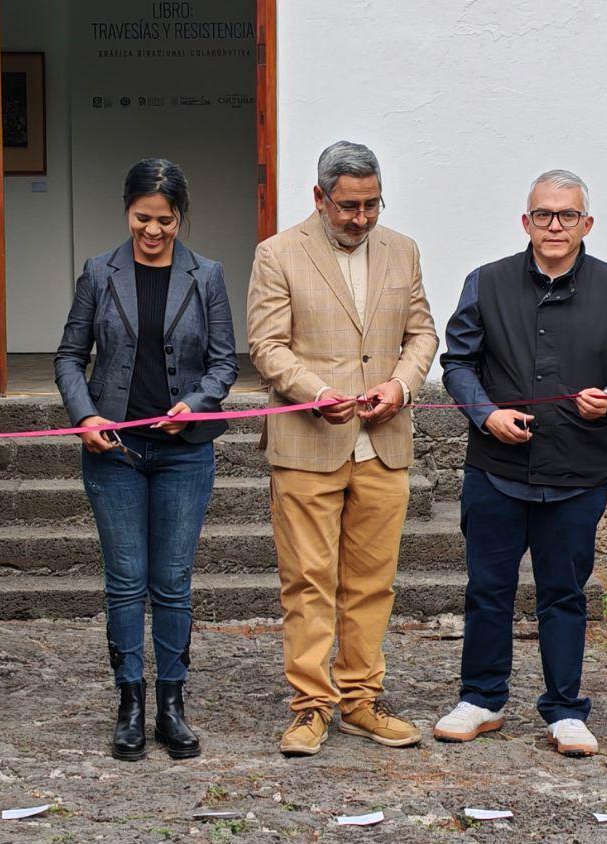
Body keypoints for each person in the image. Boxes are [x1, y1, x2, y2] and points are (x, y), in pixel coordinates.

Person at [435, 169, 607, 757]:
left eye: (568, 215)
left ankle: (564, 708)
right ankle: (480, 698)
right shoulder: (487, 281)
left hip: (578, 468)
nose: (555, 225)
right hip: (496, 468)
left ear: (587, 223)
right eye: (544, 215)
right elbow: (458, 364)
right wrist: (486, 415)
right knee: (488, 588)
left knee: (563, 592)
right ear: (525, 221)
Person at [247, 141, 437, 757]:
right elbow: (267, 345)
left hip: (383, 443)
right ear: (319, 198)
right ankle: (310, 706)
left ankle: (361, 699)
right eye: (349, 206)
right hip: (308, 442)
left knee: (373, 582)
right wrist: (316, 391)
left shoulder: (402, 250)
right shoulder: (277, 254)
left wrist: (402, 385)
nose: (361, 218)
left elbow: (422, 331)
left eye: (372, 205)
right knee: (307, 582)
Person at [55, 158, 238, 761]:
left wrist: (196, 402)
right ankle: (130, 704)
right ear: (126, 212)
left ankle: (172, 706)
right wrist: (85, 416)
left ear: (180, 217)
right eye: (142, 219)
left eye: (164, 220)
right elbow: (68, 356)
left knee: (174, 584)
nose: (152, 231)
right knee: (126, 582)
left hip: (184, 454)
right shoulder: (98, 272)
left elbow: (223, 363)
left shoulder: (206, 275)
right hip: (116, 452)